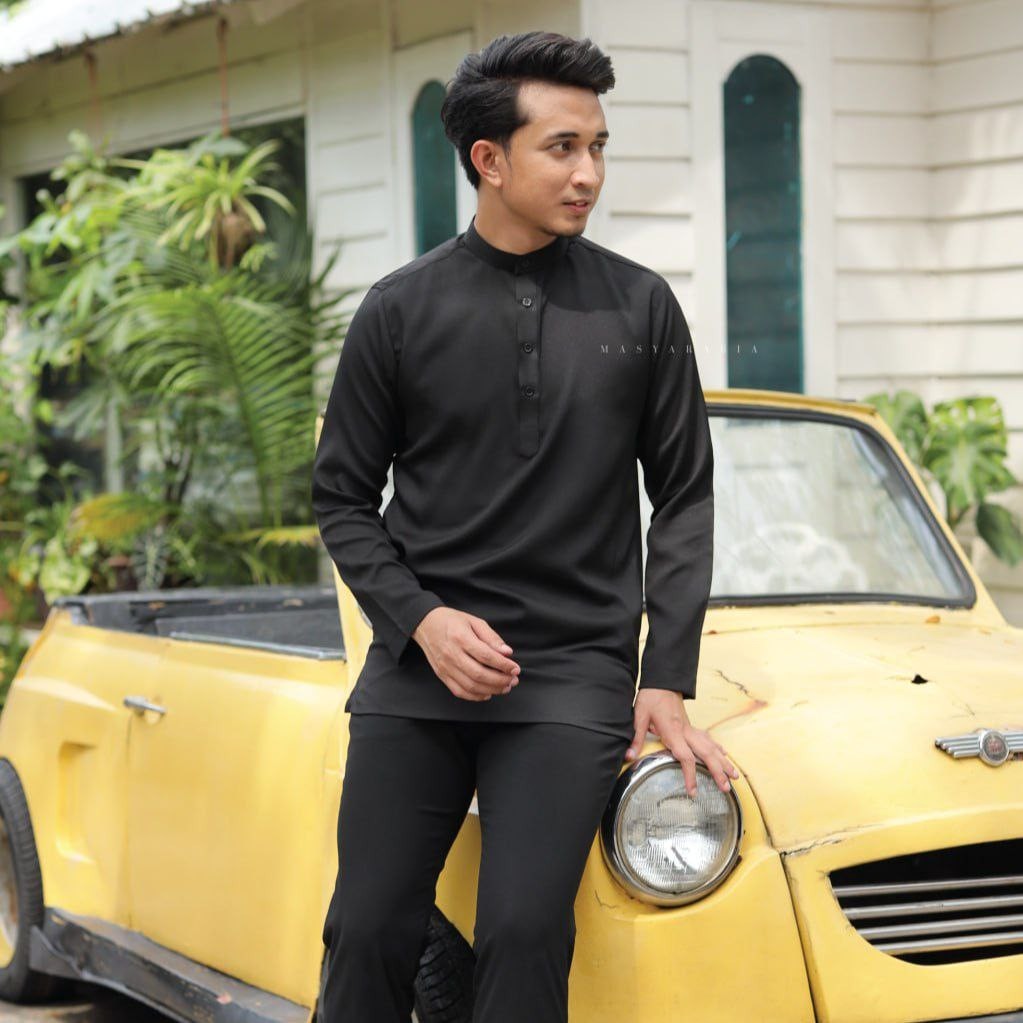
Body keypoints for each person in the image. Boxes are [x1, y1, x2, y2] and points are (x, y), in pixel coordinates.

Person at [311, 29, 739, 1023]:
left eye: (597, 146)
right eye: (562, 147)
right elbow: (342, 496)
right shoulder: (398, 310)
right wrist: (422, 620)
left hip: (570, 674)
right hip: (419, 670)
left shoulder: (641, 309)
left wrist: (664, 679)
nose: (588, 172)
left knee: (521, 930)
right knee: (366, 928)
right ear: (489, 159)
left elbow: (683, 495)